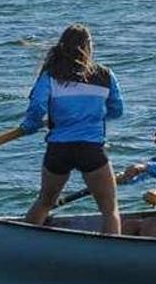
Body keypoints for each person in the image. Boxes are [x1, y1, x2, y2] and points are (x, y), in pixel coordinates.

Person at [21, 24, 124, 234]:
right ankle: (113, 255)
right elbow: (117, 110)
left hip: (59, 149)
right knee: (109, 208)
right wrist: (93, 116)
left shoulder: (50, 75)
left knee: (45, 201)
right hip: (90, 149)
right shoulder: (105, 75)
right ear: (88, 47)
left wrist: (30, 126)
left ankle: (18, 242)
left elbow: (37, 106)